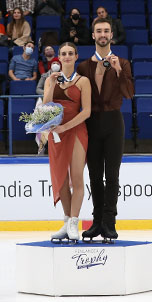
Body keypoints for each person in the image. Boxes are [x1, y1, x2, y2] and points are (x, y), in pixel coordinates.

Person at [76, 18, 134, 242]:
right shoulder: (83, 66)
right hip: (91, 122)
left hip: (113, 122)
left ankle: (110, 222)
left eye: (106, 31)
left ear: (111, 35)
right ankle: (97, 221)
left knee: (112, 175)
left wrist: (119, 71)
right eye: (98, 31)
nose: (102, 34)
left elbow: (129, 94)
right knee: (94, 175)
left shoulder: (124, 63)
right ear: (92, 35)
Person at [46, 42, 91, 242]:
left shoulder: (83, 81)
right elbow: (46, 105)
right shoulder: (50, 80)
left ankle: (74, 222)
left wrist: (66, 127)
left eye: (70, 53)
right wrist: (52, 83)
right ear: (58, 57)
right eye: (63, 53)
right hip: (56, 134)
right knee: (61, 181)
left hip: (76, 131)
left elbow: (87, 112)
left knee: (77, 178)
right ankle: (66, 222)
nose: (66, 57)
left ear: (76, 56)